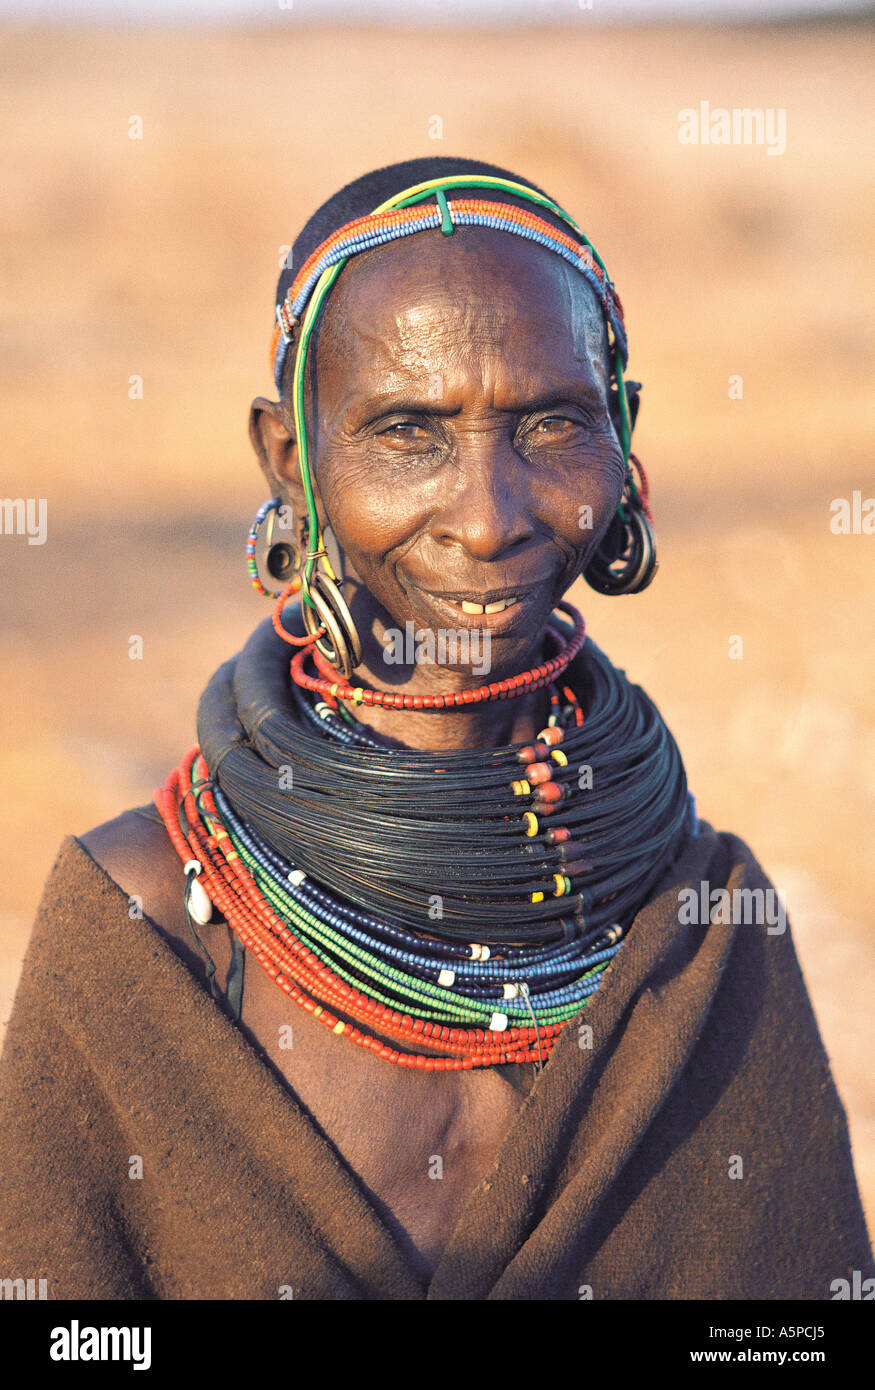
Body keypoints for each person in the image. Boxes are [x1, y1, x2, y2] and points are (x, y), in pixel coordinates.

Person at [0, 156, 870, 1301]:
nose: (485, 516)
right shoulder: (152, 921)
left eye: (552, 424)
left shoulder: (699, 927)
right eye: (407, 430)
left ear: (623, 438)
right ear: (290, 463)